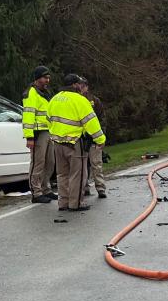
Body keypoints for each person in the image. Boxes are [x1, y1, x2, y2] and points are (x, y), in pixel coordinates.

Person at [47, 73, 106, 212]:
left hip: (58, 143)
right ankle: (76, 203)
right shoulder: (80, 100)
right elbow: (91, 122)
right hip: (74, 143)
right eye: (79, 83)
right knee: (78, 175)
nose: (81, 86)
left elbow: (48, 119)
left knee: (62, 175)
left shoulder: (55, 99)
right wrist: (100, 139)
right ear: (74, 85)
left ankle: (63, 203)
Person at [23, 67, 56, 203]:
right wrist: (30, 137)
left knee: (50, 163)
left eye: (48, 77)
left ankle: (45, 189)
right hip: (37, 134)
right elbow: (28, 116)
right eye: (44, 78)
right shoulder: (31, 93)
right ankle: (36, 193)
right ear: (37, 79)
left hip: (48, 132)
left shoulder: (44, 93)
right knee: (38, 163)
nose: (47, 80)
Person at [85, 86, 107, 199]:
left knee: (96, 163)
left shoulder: (94, 100)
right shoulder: (76, 100)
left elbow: (102, 117)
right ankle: (85, 188)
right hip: (82, 138)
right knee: (83, 165)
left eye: (84, 86)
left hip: (94, 137)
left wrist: (101, 133)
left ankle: (100, 188)